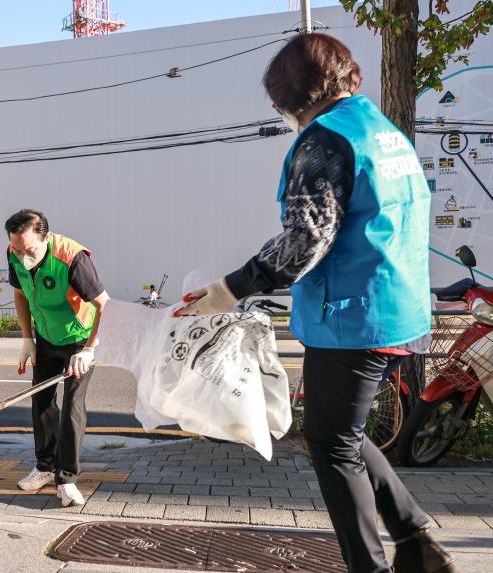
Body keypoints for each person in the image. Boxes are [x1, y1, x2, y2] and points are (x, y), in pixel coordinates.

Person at [175, 34, 456, 573]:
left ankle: (375, 563)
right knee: (337, 432)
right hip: (393, 306)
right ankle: (417, 540)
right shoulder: (381, 131)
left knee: (330, 444)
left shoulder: (324, 142)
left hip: (352, 314)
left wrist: (230, 288)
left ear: (291, 96)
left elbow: (305, 240)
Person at [6, 209, 109, 507]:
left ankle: (67, 479)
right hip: (47, 336)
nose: (22, 255)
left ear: (46, 237)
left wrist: (89, 349)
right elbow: (20, 294)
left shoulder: (73, 258)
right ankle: (45, 466)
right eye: (16, 249)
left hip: (79, 338)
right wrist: (27, 337)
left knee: (72, 406)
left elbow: (105, 306)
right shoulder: (15, 252)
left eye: (29, 250)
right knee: (41, 400)